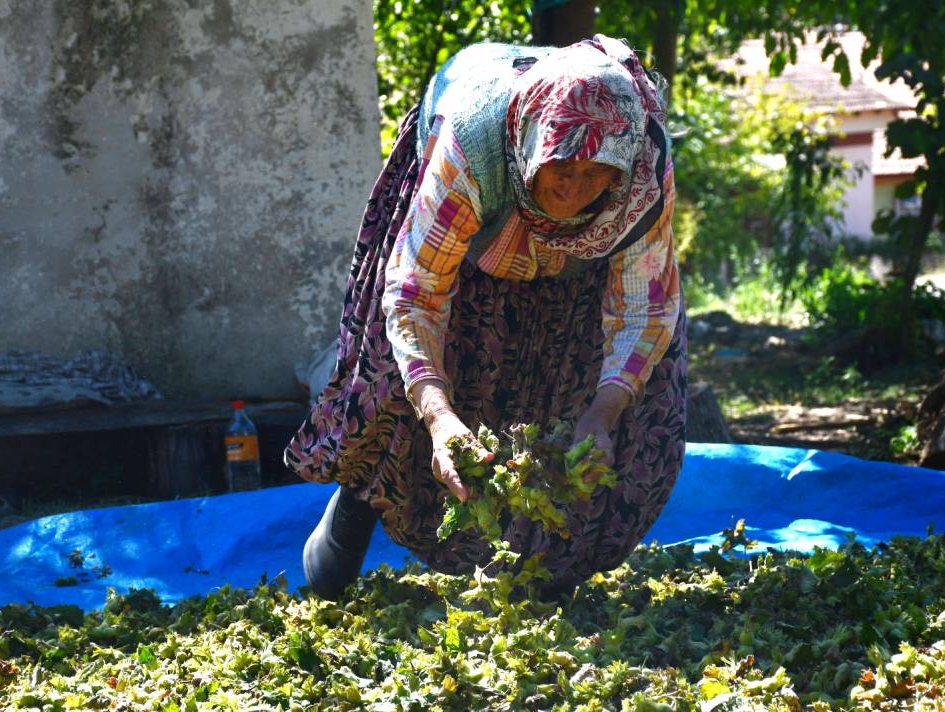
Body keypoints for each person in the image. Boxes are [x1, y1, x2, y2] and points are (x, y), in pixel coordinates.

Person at [286, 34, 687, 601]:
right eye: (561, 168)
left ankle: (547, 580)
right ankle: (349, 522)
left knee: (617, 424)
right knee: (393, 399)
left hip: (576, 269)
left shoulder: (640, 174)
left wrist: (602, 412)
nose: (574, 190)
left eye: (596, 174)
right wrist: (439, 415)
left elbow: (644, 307)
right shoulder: (470, 149)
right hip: (468, 239)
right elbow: (417, 294)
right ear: (531, 147)